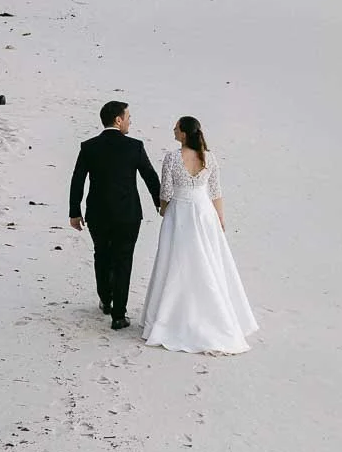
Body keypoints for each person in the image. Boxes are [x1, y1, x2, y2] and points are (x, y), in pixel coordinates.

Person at [140, 116, 258, 354]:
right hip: (205, 213)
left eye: (176, 127)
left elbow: (165, 191)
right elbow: (216, 192)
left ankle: (171, 315)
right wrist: (220, 218)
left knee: (176, 262)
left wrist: (164, 210)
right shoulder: (210, 157)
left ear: (183, 133)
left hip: (180, 212)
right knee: (208, 261)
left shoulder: (172, 157)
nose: (173, 129)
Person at [69, 101, 162, 331]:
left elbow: (77, 179)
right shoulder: (135, 147)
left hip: (97, 214)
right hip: (128, 214)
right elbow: (150, 177)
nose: (130, 121)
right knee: (123, 260)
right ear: (118, 120)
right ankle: (119, 315)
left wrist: (74, 211)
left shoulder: (89, 147)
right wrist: (161, 204)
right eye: (128, 117)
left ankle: (106, 299)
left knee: (101, 255)